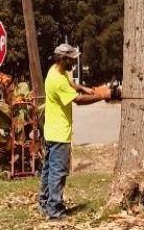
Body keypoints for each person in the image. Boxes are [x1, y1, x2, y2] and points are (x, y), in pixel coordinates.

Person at [39, 43, 111, 219]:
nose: (74, 61)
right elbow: (77, 100)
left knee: (48, 170)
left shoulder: (55, 71)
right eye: (72, 59)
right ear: (63, 59)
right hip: (60, 133)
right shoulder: (57, 80)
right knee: (58, 172)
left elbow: (70, 85)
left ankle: (44, 204)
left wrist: (82, 87)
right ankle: (55, 211)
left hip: (51, 130)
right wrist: (102, 96)